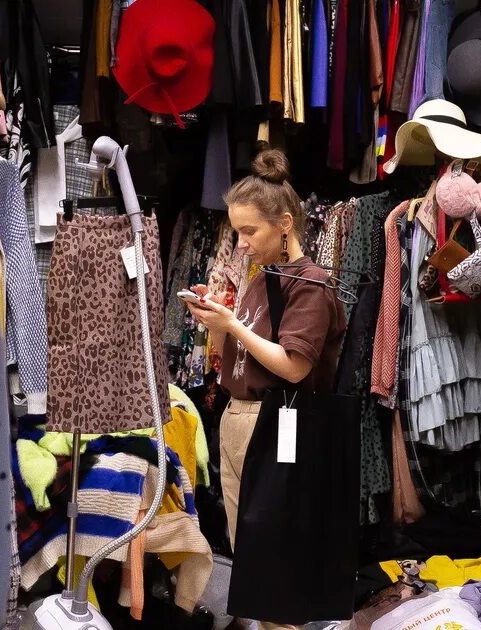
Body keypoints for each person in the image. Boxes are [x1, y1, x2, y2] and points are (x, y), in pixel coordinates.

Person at [184, 149, 346, 630]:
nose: (241, 243)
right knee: (254, 561)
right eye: (237, 232)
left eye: (249, 231)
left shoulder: (310, 285)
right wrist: (215, 319)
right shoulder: (262, 280)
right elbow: (225, 362)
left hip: (276, 422)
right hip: (239, 418)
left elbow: (294, 368)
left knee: (274, 562)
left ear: (286, 224)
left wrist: (232, 323)